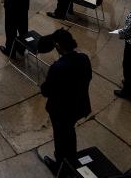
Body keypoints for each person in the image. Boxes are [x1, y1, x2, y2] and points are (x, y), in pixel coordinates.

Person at [40, 29, 92, 174]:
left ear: (58, 46)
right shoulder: (84, 58)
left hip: (61, 111)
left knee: (60, 137)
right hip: (79, 106)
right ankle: (71, 160)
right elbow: (88, 78)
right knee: (69, 132)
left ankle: (61, 167)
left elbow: (46, 91)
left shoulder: (58, 67)